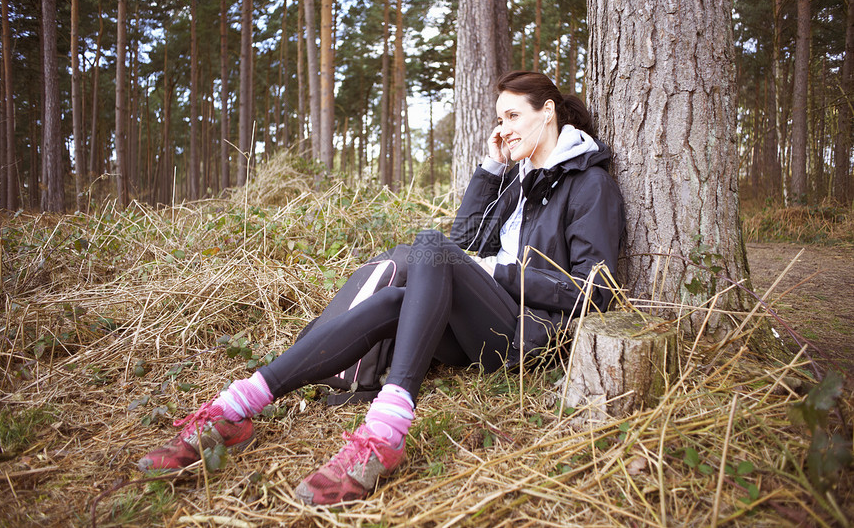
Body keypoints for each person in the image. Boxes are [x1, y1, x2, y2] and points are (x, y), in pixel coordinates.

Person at [138, 71, 625, 506]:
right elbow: (461, 247)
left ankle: (386, 431)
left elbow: (594, 291)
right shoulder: (518, 181)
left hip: (531, 333)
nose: (503, 128)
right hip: (484, 324)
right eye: (499, 118)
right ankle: (237, 408)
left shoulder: (588, 184)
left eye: (513, 115)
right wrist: (490, 172)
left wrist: (495, 273)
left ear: (548, 112)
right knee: (395, 295)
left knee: (428, 246)